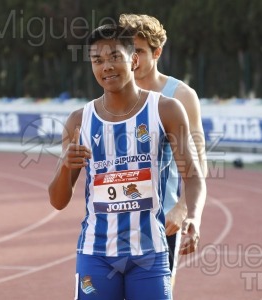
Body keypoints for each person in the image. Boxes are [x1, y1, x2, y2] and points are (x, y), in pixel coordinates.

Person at [48, 24, 206, 300]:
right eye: (97, 61)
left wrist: (192, 215)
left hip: (149, 253)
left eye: (114, 57)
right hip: (96, 254)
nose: (106, 66)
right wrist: (64, 165)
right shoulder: (78, 121)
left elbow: (193, 175)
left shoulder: (166, 109)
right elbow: (58, 201)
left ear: (133, 60)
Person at [119, 13, 208, 285]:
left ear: (157, 52)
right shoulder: (114, 91)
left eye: (139, 52)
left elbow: (199, 161)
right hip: (115, 221)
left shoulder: (180, 96)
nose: (131, 59)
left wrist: (184, 210)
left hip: (161, 221)